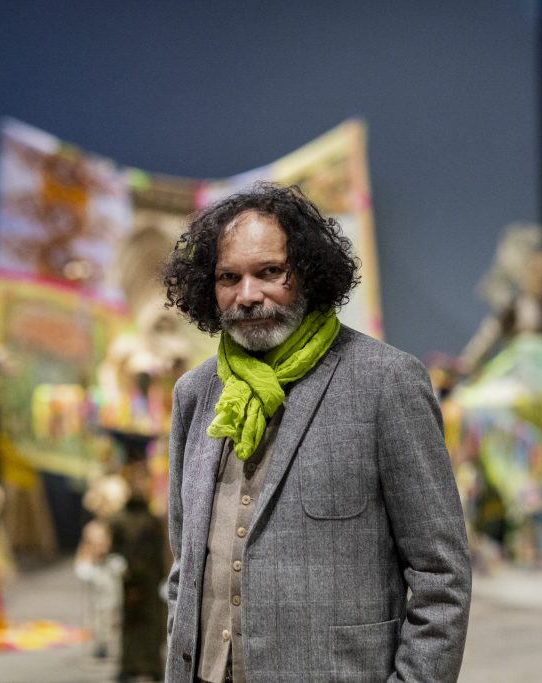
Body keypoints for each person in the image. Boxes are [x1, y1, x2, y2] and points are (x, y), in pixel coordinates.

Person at [160, 183, 471, 683]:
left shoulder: (385, 383)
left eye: (269, 272)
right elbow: (185, 569)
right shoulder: (195, 395)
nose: (248, 295)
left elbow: (442, 577)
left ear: (307, 272)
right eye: (228, 277)